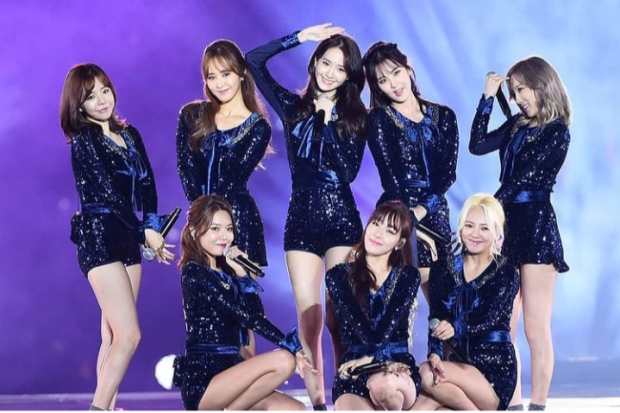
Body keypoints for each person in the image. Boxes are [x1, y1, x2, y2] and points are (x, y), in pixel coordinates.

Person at [246, 23, 367, 409]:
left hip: (341, 220)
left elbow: (348, 172)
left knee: (340, 314)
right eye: (326, 63)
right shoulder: (293, 108)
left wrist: (327, 123)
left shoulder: (356, 117)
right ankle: (318, 402)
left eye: (340, 68)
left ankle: (347, 392)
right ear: (314, 64)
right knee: (309, 316)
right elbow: (252, 61)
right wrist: (298, 38)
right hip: (301, 220)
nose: (330, 73)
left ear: (348, 77)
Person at [60, 63, 175, 410]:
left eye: (105, 90)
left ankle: (108, 406)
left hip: (128, 239)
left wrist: (150, 226)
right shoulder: (84, 141)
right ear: (78, 105)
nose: (102, 100)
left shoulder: (130, 134)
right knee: (129, 335)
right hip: (98, 239)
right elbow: (110, 196)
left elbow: (148, 185)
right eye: (91, 96)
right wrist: (145, 233)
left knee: (111, 336)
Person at [469, 56, 572, 411]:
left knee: (535, 327)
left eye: (522, 89)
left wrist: (487, 209)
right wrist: (487, 99)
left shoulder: (557, 131)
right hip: (506, 225)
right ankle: (511, 403)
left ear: (541, 84)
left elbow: (524, 179)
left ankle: (538, 405)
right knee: (504, 327)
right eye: (513, 93)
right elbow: (477, 145)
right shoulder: (515, 125)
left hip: (537, 227)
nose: (517, 99)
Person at [172, 195, 317, 410]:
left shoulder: (229, 273)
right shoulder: (194, 272)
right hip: (205, 378)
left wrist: (241, 274)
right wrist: (290, 345)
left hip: (234, 369)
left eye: (229, 229)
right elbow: (244, 315)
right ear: (194, 232)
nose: (224, 236)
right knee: (284, 360)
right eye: (215, 228)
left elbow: (255, 313)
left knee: (295, 409)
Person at [362, 41, 459, 302]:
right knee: (392, 301)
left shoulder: (445, 116)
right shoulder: (379, 119)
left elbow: (448, 175)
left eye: (396, 72)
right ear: (377, 87)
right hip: (397, 213)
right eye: (383, 80)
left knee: (445, 305)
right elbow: (390, 178)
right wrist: (408, 218)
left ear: (407, 68)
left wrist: (424, 209)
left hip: (435, 212)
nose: (394, 84)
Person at [413, 193, 519, 411]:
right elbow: (436, 317)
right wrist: (434, 353)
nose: (475, 234)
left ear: (496, 232)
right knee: (425, 406)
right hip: (457, 365)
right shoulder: (442, 269)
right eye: (469, 226)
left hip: (493, 369)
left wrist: (455, 327)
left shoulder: (507, 272)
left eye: (484, 228)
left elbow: (489, 317)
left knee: (426, 374)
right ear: (461, 228)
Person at [176, 39, 272, 269]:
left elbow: (233, 180)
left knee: (242, 290)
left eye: (225, 74)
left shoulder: (258, 127)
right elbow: (186, 168)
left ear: (242, 73)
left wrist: (215, 224)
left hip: (237, 220)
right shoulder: (191, 114)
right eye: (211, 77)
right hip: (201, 222)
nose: (219, 83)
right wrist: (201, 221)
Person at [326, 201, 421, 410]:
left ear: (400, 243)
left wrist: (375, 358)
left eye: (389, 230)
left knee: (385, 385)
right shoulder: (338, 275)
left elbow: (389, 322)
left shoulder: (408, 276)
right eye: (376, 224)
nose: (378, 233)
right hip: (355, 366)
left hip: (395, 364)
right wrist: (368, 359)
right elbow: (356, 321)